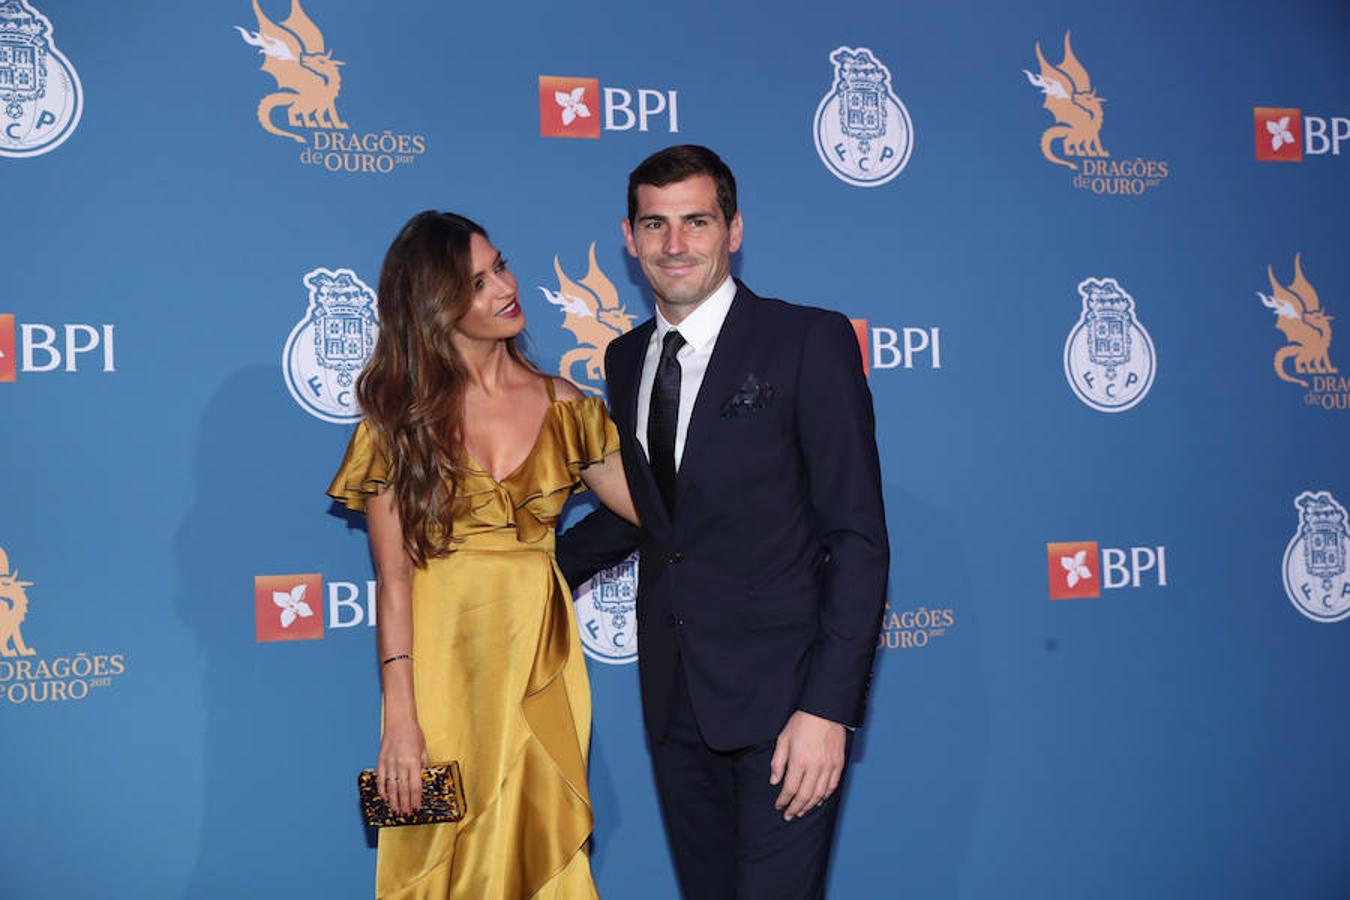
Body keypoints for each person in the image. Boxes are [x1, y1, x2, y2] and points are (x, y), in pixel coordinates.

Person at [557, 145, 890, 899]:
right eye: (656, 224)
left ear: (733, 230)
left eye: (696, 222)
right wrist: (514, 574)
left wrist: (826, 710)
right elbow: (648, 518)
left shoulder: (806, 340)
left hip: (785, 707)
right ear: (630, 236)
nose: (675, 245)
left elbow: (857, 539)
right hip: (676, 707)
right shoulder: (623, 357)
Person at [327, 211, 639, 899]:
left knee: (542, 842)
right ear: (436, 307)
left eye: (500, 264)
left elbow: (656, 512)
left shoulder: (566, 407)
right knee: (442, 856)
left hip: (539, 658)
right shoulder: (398, 422)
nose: (504, 286)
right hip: (441, 666)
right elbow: (395, 579)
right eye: (476, 281)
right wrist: (400, 721)